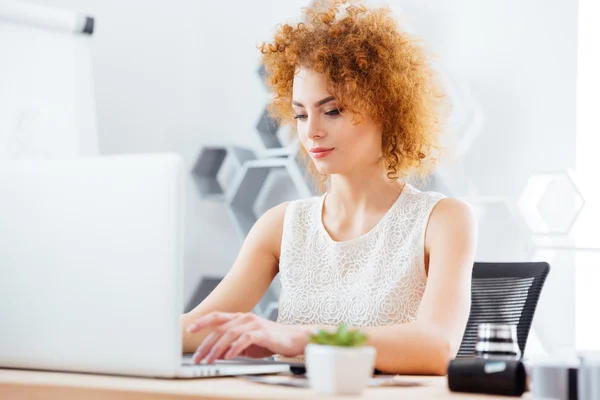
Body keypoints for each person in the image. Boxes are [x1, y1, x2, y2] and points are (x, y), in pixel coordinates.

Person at [181, 0, 477, 376]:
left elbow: (435, 347)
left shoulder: (444, 220)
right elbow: (198, 328)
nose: (311, 131)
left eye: (332, 110)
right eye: (301, 114)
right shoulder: (281, 225)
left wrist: (302, 337)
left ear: (386, 107)